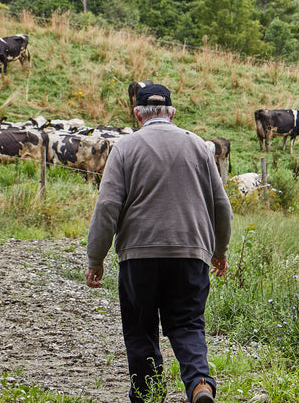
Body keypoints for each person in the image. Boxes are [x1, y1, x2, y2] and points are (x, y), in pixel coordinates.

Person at [86, 83, 233, 403]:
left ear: (137, 114)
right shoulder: (199, 146)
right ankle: (199, 384)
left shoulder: (125, 148)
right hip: (191, 253)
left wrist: (95, 258)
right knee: (188, 324)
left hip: (139, 256)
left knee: (140, 329)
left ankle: (148, 395)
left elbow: (107, 206)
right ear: (172, 112)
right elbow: (222, 206)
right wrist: (219, 251)